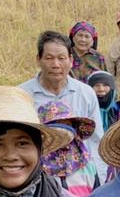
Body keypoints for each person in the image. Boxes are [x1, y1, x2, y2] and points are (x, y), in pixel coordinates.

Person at [18, 30, 108, 184]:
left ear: (71, 60)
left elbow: (96, 139)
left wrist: (100, 177)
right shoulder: (22, 95)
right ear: (38, 60)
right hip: (38, 178)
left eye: (61, 58)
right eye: (49, 58)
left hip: (81, 176)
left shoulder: (86, 93)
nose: (56, 65)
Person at [37, 100, 99, 197]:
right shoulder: (36, 166)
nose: (63, 131)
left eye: (67, 126)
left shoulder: (87, 164)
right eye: (56, 125)